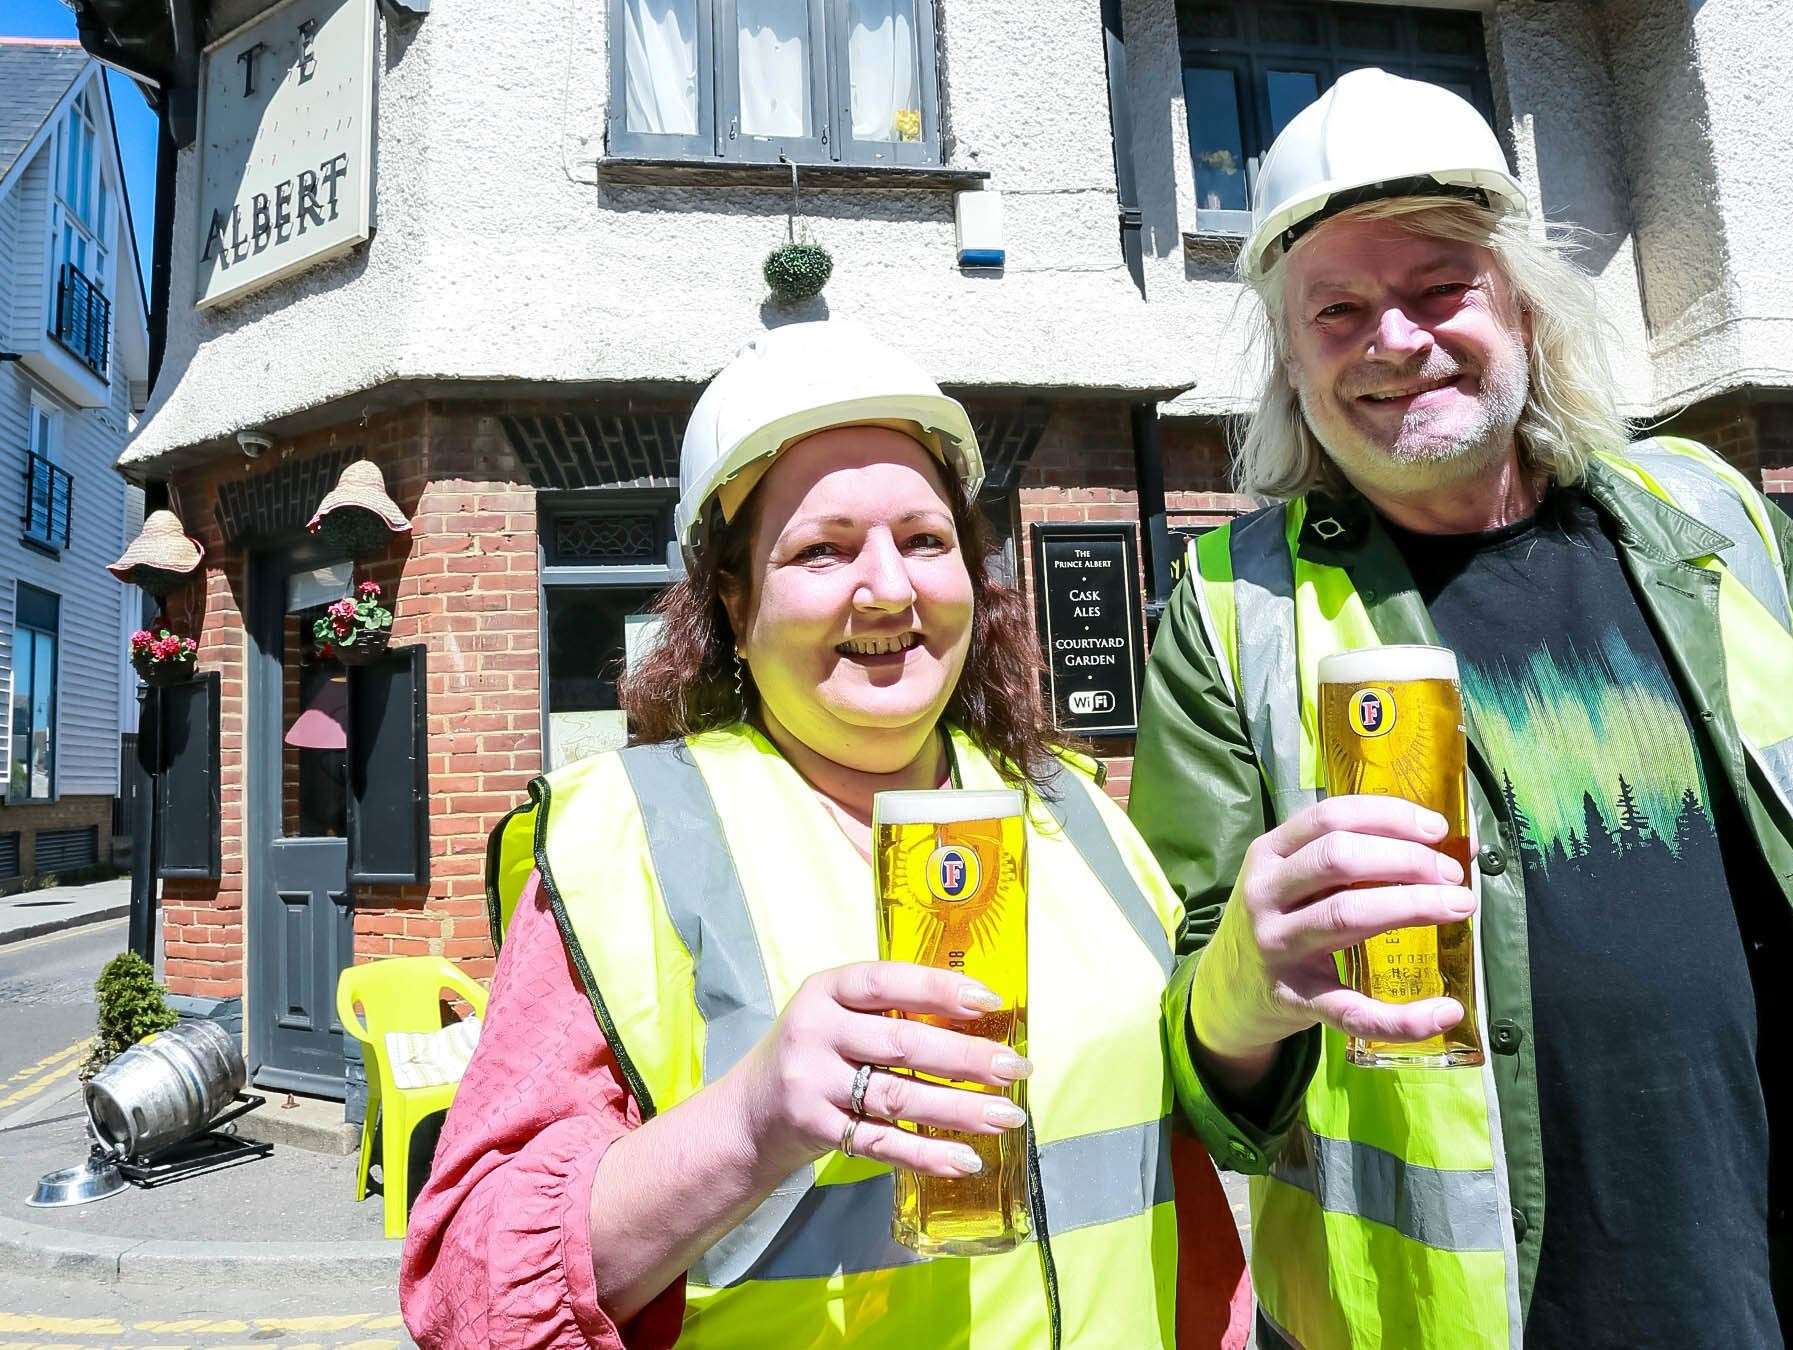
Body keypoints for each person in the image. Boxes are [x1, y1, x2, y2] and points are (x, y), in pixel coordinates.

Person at [401, 320, 1250, 1348]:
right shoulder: (628, 841)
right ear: (732, 591)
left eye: (925, 540)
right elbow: (467, 1291)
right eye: (822, 549)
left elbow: (1184, 1207)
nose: (888, 588)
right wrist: (750, 1121)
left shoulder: (1079, 816)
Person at [1130, 68, 1793, 1350]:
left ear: (1524, 312)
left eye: (1438, 289)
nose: (1392, 340)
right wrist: (1243, 986)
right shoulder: (1231, 608)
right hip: (1473, 1320)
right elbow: (1196, 1072)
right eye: (1337, 310)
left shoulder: (1708, 513)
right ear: (1288, 357)